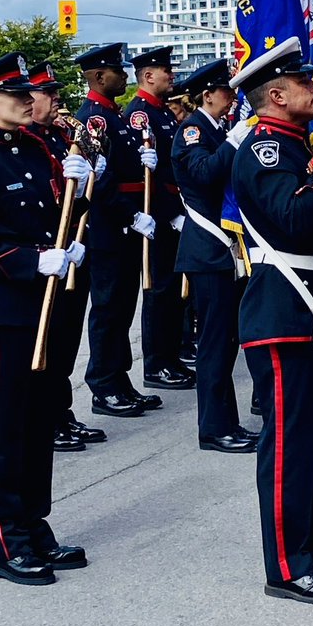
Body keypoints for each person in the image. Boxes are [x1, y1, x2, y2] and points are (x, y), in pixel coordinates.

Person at [0, 53, 90, 586]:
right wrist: (34, 262)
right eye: (16, 95)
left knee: (39, 421)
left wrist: (75, 221)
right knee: (8, 426)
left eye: (29, 94)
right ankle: (7, 541)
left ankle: (36, 524)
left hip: (45, 304)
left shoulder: (36, 151)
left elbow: (58, 216)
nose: (29, 101)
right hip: (6, 309)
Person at [230, 37, 313, 604]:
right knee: (287, 446)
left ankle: (311, 549)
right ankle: (286, 566)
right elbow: (296, 220)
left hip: (311, 307)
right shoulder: (264, 149)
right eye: (306, 82)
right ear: (276, 94)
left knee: (310, 441)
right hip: (282, 309)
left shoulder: (292, 146)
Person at [171, 58, 255, 452]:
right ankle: (214, 427)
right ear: (208, 94)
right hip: (208, 250)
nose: (233, 98)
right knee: (214, 343)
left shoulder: (215, 128)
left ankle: (229, 423)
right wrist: (236, 141)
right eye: (227, 91)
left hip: (223, 250)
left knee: (227, 342)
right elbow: (204, 174)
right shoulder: (192, 130)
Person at [72, 43, 160, 418]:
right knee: (108, 309)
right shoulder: (94, 118)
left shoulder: (115, 115)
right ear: (99, 76)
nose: (124, 76)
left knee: (122, 307)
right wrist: (130, 216)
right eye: (118, 72)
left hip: (125, 226)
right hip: (108, 227)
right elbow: (100, 183)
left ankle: (119, 379)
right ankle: (104, 384)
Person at [26, 60, 107, 451]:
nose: (57, 100)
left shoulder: (59, 134)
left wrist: (93, 174)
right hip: (45, 256)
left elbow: (77, 195)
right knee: (49, 340)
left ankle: (61, 410)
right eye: (49, 93)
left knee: (68, 340)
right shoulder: (27, 140)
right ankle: (46, 416)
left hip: (73, 247)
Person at [125, 46, 195, 391]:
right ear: (149, 76)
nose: (172, 75)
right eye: (166, 71)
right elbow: (149, 176)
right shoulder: (140, 114)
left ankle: (170, 355)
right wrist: (168, 215)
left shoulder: (162, 113)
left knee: (170, 290)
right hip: (156, 214)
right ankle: (156, 363)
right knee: (159, 289)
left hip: (172, 209)